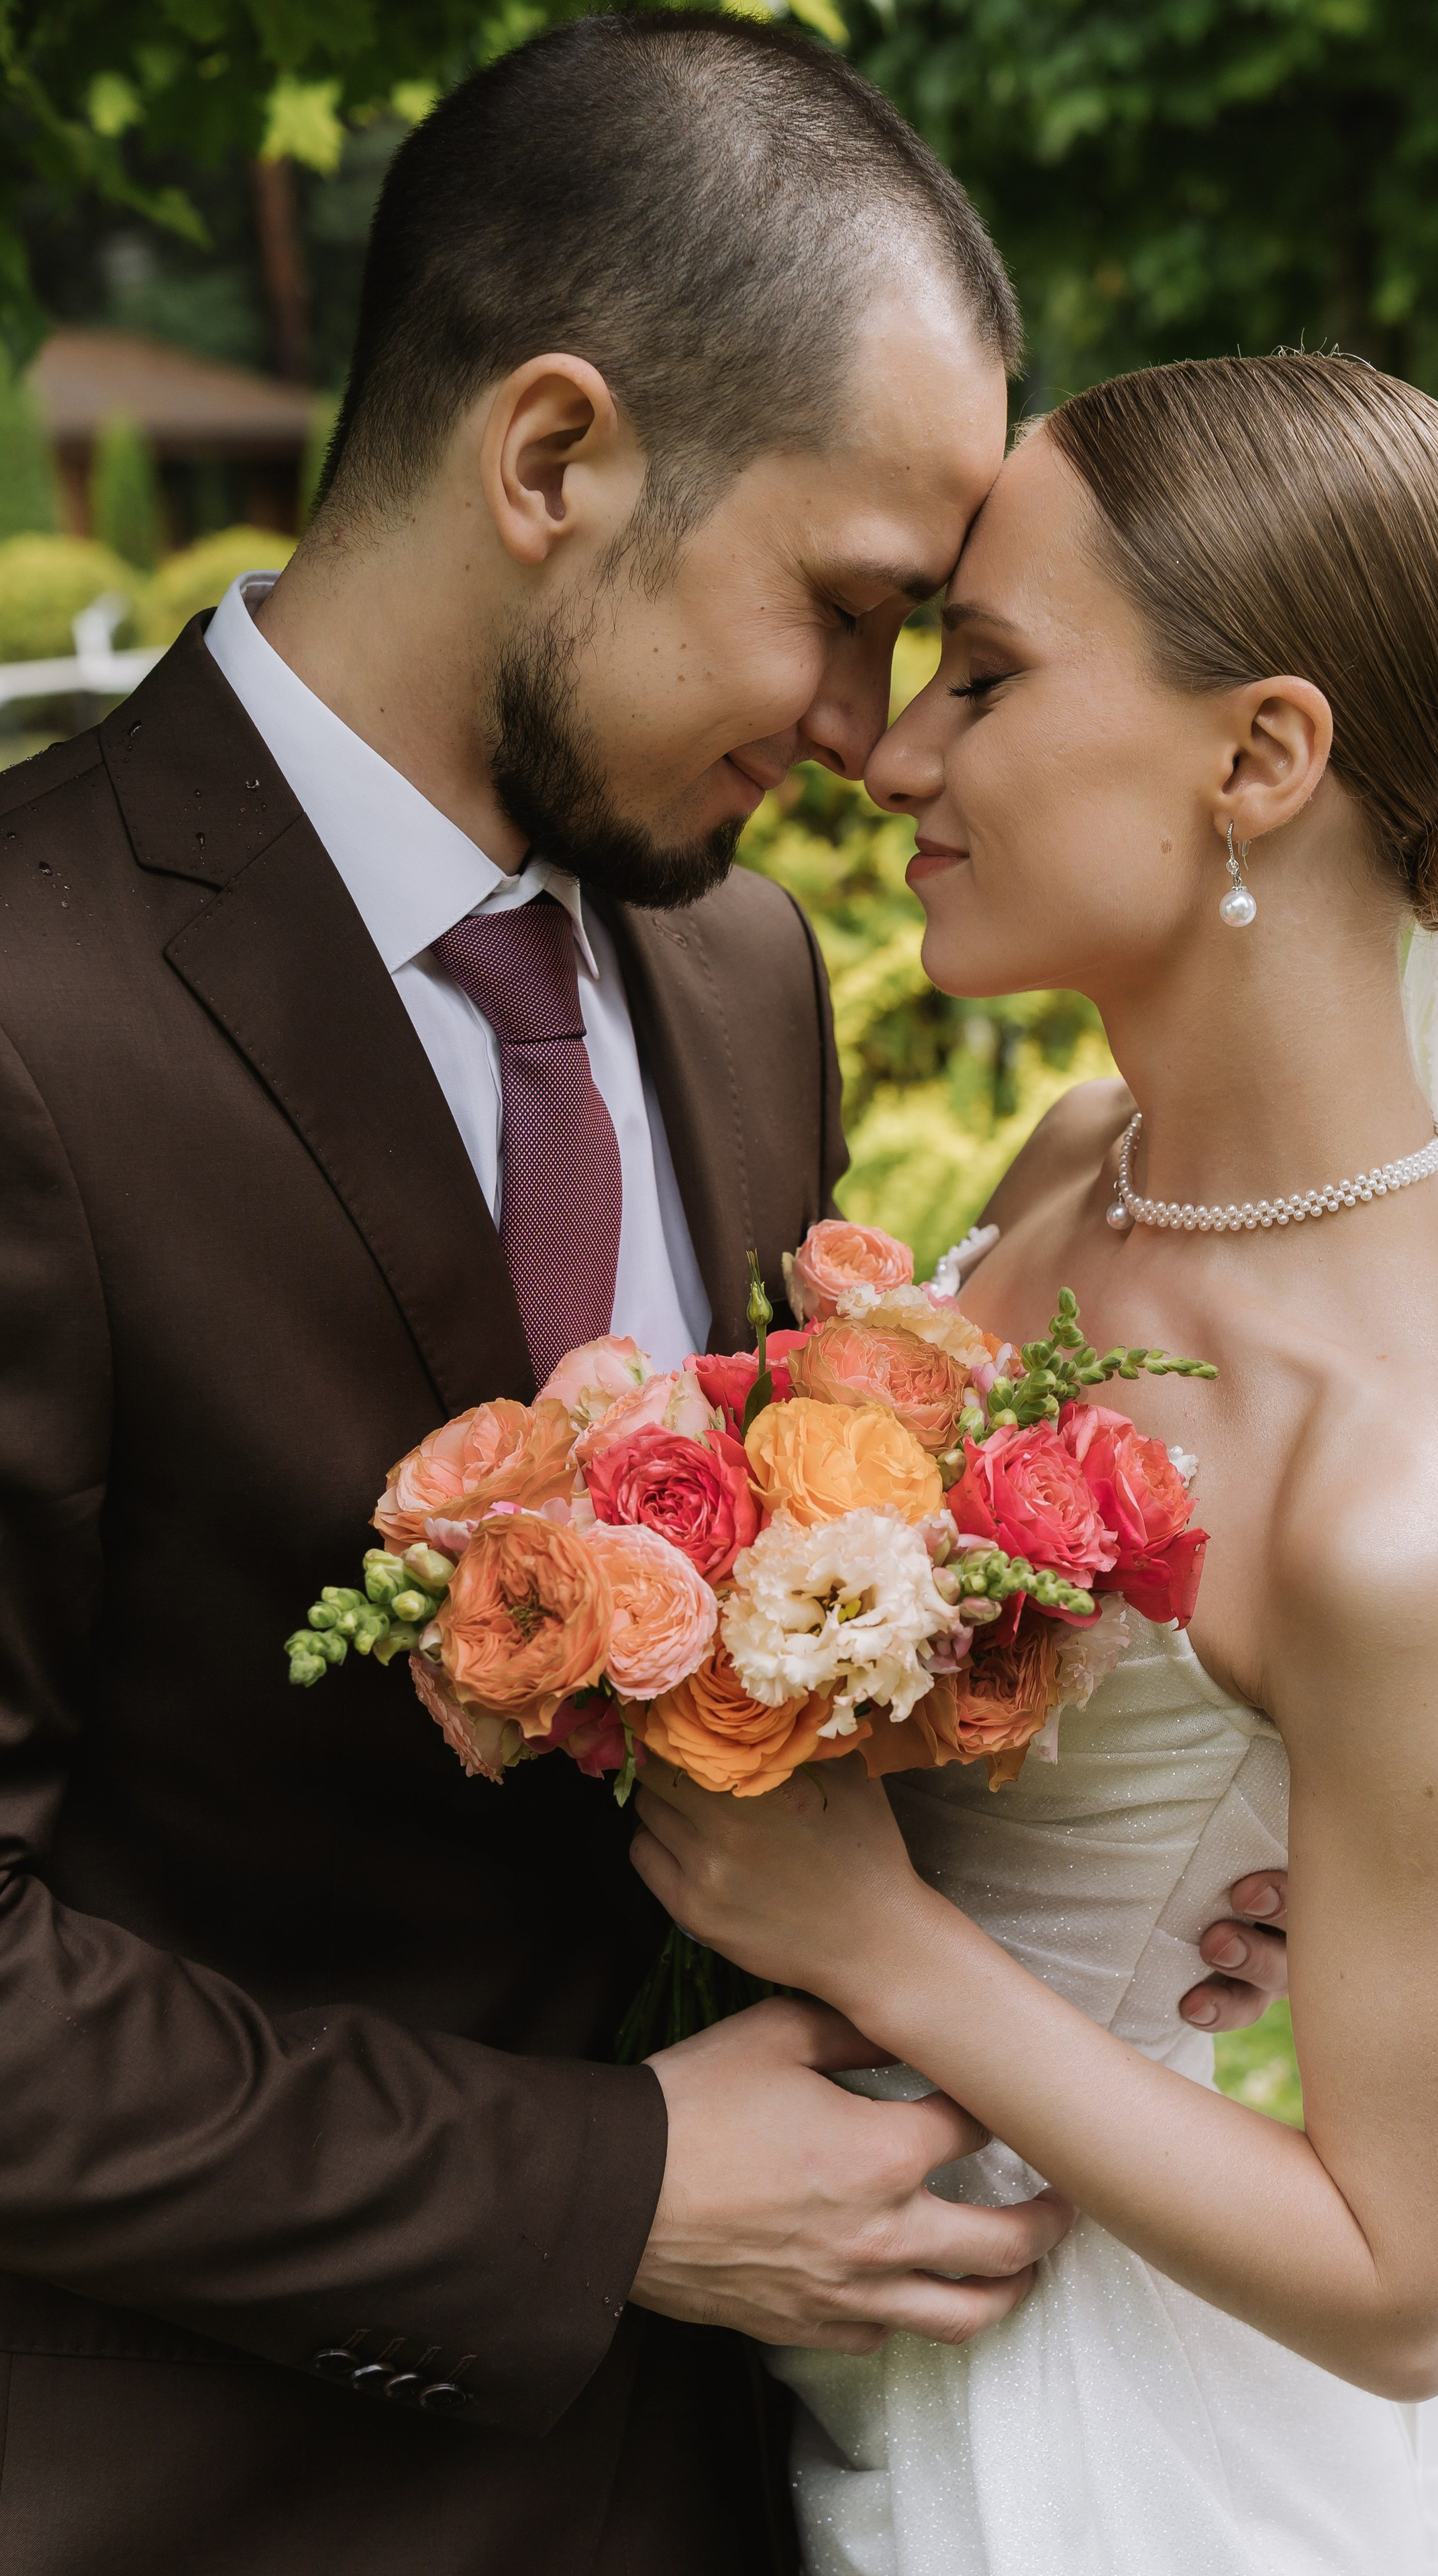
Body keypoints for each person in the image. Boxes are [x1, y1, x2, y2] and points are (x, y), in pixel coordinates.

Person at [0, 18, 1080, 2573]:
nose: (861, 735)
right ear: (556, 456)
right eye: (845, 613)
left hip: (738, 2488)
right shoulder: (28, 1005)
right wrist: (597, 2196)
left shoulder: (741, 979)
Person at [634, 352, 1438, 2574]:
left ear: (1263, 757)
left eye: (990, 676)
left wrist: (893, 1949)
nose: (898, 751)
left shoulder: (1389, 1489)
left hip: (1061, 2443)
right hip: (767, 2314)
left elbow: (1413, 2289)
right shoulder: (1070, 1162)